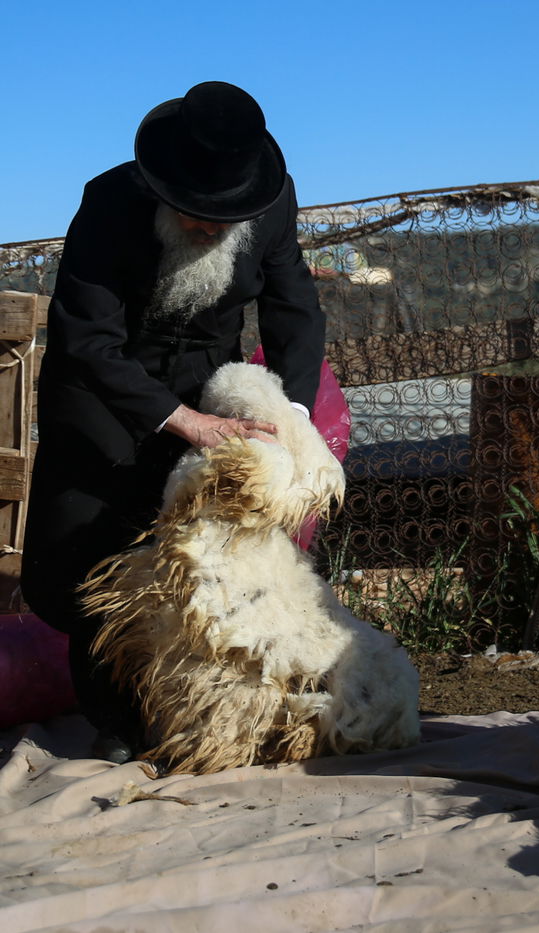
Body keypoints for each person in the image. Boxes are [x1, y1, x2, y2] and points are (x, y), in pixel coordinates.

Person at [21, 81, 326, 764]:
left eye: (221, 218)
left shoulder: (274, 204)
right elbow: (86, 338)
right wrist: (180, 421)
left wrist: (291, 413)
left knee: (200, 556)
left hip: (205, 379)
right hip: (105, 393)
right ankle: (115, 720)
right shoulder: (107, 204)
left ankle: (202, 708)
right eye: (193, 214)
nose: (206, 228)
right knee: (97, 553)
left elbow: (294, 310)